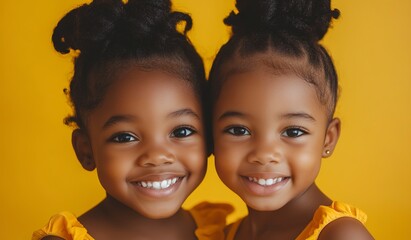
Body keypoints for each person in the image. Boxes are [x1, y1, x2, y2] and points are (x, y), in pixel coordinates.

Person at [33, 0, 232, 239]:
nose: (157, 156)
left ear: (209, 137)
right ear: (85, 150)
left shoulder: (219, 231)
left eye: (181, 132)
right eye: (125, 136)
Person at [208, 0, 374, 239]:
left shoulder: (340, 236)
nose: (264, 153)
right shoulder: (223, 233)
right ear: (211, 133)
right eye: (238, 130)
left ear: (328, 138)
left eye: (293, 132)